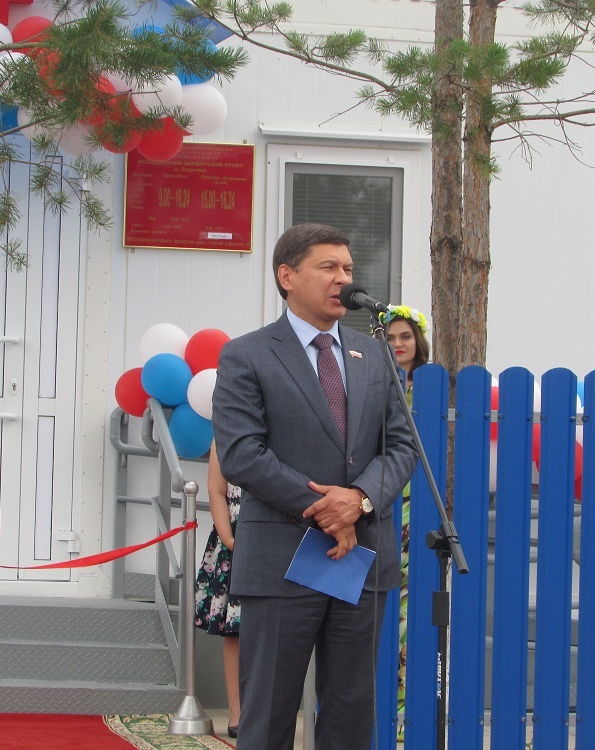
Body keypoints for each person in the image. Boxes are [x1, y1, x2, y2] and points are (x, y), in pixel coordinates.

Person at [212, 222, 417, 750]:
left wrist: (360, 501)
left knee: (350, 712)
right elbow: (242, 454)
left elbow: (401, 446)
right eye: (328, 267)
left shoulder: (374, 354)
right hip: (283, 558)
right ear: (287, 276)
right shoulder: (247, 354)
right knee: (269, 713)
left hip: (361, 558)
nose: (343, 279)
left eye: (348, 268)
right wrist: (328, 508)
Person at [379, 303, 430, 739]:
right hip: (383, 496)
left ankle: (411, 705)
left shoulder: (434, 386)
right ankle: (384, 704)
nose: (398, 344)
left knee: (415, 608)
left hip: (422, 499)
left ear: (419, 340)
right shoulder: (375, 382)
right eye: (391, 338)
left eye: (405, 336)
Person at [192, 441, 241, 739]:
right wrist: (231, 540)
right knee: (234, 632)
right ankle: (237, 711)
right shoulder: (225, 428)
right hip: (234, 540)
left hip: (277, 540)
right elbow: (216, 490)